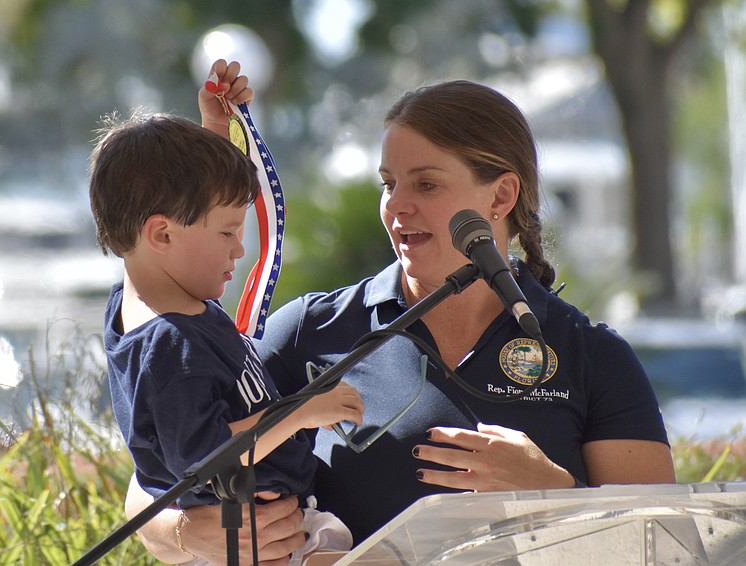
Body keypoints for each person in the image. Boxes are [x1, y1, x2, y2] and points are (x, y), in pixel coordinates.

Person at [124, 60, 677, 565]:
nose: (397, 206)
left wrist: (551, 495)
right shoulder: (310, 333)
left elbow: (665, 549)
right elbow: (155, 472)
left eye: (426, 184)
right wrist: (184, 534)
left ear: (501, 197)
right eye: (389, 184)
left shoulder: (594, 357)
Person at [88, 105, 365, 564]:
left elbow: (179, 207)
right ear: (161, 234)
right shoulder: (171, 345)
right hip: (252, 544)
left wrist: (216, 135)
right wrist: (302, 413)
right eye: (228, 232)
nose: (239, 248)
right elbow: (205, 456)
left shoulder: (149, 298)